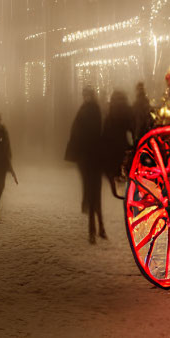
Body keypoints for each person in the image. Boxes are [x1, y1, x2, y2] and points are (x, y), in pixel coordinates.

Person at [66, 87, 105, 243]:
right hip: (91, 155)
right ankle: (97, 228)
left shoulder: (89, 110)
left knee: (92, 191)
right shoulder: (92, 109)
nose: (85, 97)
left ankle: (95, 229)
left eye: (87, 95)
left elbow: (80, 131)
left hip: (89, 155)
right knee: (94, 192)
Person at [100, 90, 134, 186]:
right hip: (123, 141)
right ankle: (121, 176)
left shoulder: (112, 109)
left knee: (114, 161)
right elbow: (131, 125)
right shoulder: (127, 109)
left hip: (112, 142)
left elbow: (106, 129)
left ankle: (115, 176)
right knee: (122, 160)